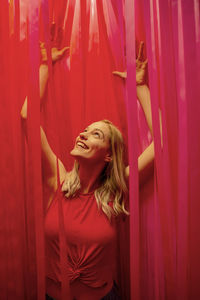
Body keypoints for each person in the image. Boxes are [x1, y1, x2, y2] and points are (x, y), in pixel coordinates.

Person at [21, 27, 154, 299]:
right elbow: (27, 118)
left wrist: (141, 88)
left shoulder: (117, 188)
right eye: (85, 129)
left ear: (108, 154)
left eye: (96, 134)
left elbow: (162, 144)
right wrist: (44, 67)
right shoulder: (57, 177)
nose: (83, 133)